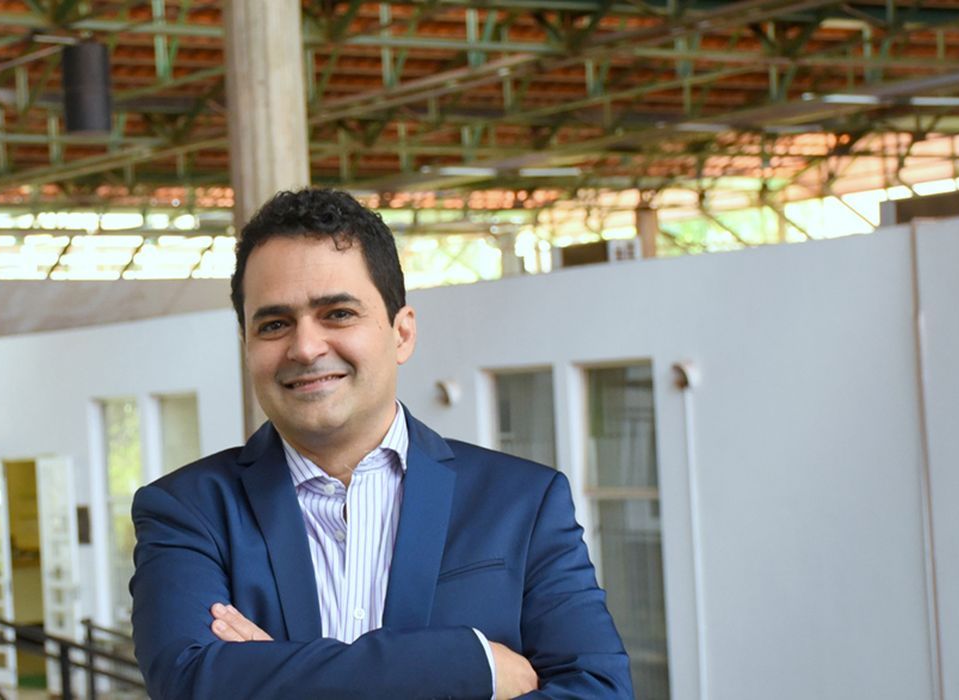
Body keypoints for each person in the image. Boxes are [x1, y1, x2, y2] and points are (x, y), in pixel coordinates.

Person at [131, 188, 632, 699]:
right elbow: (190, 681)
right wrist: (468, 664)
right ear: (247, 346)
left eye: (338, 313)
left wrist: (273, 674)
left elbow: (599, 690)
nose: (305, 347)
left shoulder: (521, 502)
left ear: (402, 333)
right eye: (275, 324)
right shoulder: (188, 511)